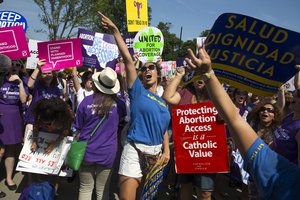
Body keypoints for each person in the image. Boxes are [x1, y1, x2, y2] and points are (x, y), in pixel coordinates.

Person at [184, 46, 300, 199]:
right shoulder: (281, 173)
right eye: (297, 93)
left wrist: (208, 75)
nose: (296, 96)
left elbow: (234, 119)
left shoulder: (281, 176)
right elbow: (234, 118)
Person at [99, 12, 171, 200]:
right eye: (144, 68)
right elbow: (129, 62)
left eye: (151, 67)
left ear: (158, 72)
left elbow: (163, 126)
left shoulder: (166, 95)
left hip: (157, 153)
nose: (147, 70)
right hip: (134, 150)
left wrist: (167, 149)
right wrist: (115, 31)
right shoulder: (137, 90)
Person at [73, 67, 126, 200]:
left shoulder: (85, 102)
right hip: (107, 153)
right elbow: (121, 120)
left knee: (85, 188)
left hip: (86, 150)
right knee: (103, 191)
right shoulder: (119, 104)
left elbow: (77, 127)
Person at [163, 68, 216, 200]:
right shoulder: (185, 92)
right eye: (196, 75)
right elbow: (168, 97)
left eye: (201, 75)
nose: (199, 79)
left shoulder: (214, 95)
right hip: (186, 151)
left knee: (205, 192)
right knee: (185, 186)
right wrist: (179, 75)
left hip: (206, 153)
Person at [0, 57, 29, 191]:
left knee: (11, 150)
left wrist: (20, 84)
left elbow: (23, 100)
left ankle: (9, 178)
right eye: (12, 64)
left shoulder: (22, 80)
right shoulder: (1, 79)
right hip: (2, 116)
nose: (14, 66)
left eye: (17, 64)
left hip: (15, 117)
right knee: (1, 151)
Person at [272, 67, 300, 166]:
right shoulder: (289, 116)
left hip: (284, 178)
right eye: (295, 93)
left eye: (298, 95)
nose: (294, 95)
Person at [24, 60, 62, 125]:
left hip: (48, 123)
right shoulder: (38, 85)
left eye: (49, 73)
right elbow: (29, 85)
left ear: (53, 75)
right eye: (44, 73)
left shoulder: (57, 90)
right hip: (33, 120)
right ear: (41, 76)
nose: (47, 75)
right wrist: (38, 68)